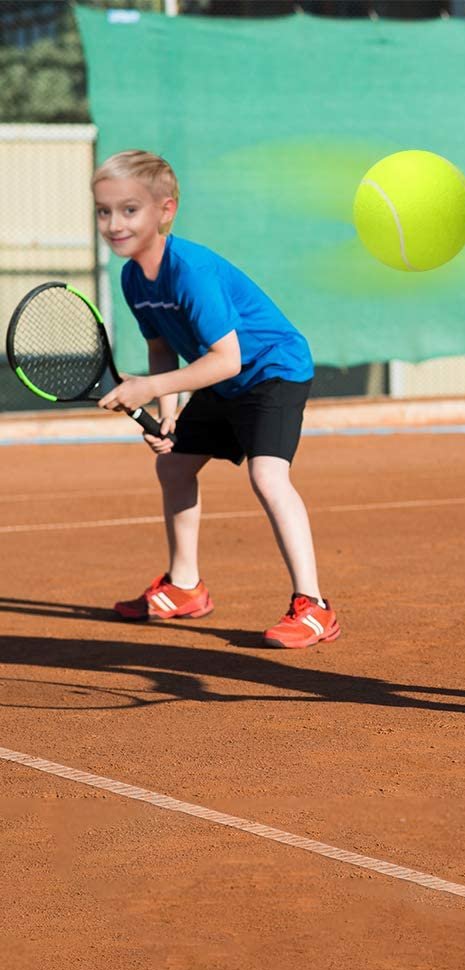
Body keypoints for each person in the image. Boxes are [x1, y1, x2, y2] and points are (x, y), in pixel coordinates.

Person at [92, 149, 339, 650]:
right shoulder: (133, 277)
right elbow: (161, 346)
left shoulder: (190, 272)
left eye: (130, 209)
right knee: (175, 467)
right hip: (221, 379)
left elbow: (228, 357)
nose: (115, 223)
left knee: (268, 475)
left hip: (272, 369)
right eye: (104, 210)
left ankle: (314, 607)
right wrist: (166, 417)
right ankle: (185, 587)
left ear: (166, 211)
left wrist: (151, 389)